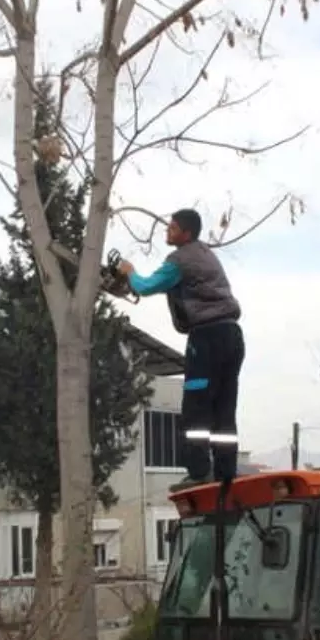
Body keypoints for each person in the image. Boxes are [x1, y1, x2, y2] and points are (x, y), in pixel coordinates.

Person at [118, 208, 244, 488]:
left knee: (196, 408)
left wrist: (129, 273)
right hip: (232, 337)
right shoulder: (205, 254)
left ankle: (199, 471)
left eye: (172, 228)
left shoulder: (180, 260)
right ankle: (225, 472)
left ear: (186, 233)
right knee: (224, 405)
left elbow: (146, 286)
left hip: (207, 338)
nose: (167, 231)